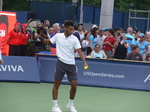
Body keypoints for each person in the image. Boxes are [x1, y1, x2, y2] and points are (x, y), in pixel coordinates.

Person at [37, 20, 88, 112]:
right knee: (56, 84)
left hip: (71, 64)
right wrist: (39, 37)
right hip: (61, 63)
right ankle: (55, 106)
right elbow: (48, 42)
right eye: (70, 29)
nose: (72, 31)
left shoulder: (74, 39)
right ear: (65, 28)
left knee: (74, 85)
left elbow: (79, 51)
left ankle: (70, 104)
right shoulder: (58, 36)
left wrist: (84, 61)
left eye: (73, 29)